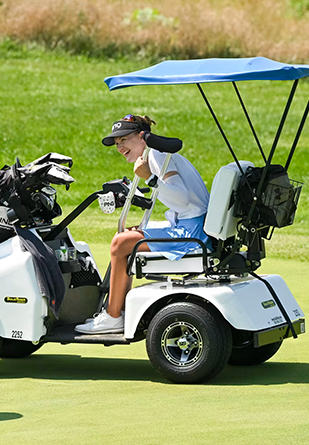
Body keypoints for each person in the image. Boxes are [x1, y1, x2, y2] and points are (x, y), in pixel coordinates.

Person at [75, 114, 210, 334]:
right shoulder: (156, 154)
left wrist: (150, 178)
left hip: (193, 234)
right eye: (117, 143)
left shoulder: (157, 155)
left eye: (124, 140)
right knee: (128, 235)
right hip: (190, 226)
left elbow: (181, 199)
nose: (120, 147)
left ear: (141, 136)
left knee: (120, 244)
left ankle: (112, 316)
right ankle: (117, 310)